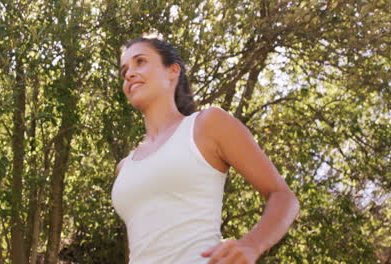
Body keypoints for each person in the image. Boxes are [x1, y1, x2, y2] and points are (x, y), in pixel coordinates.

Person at [111, 35, 300, 264]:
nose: (130, 73)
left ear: (172, 71)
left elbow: (283, 196)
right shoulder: (125, 166)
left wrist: (251, 244)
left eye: (140, 62)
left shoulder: (206, 125)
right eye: (124, 71)